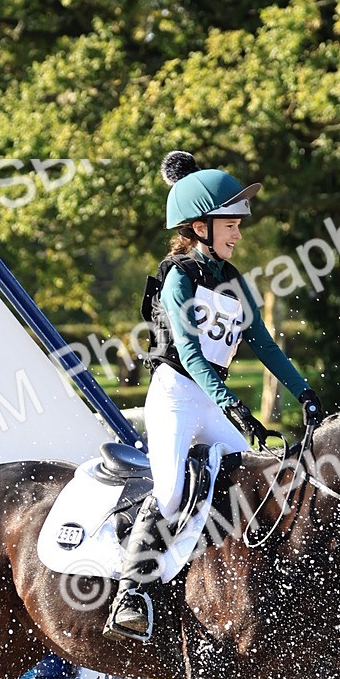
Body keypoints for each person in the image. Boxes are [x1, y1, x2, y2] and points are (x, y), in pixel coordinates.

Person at [104, 150, 323, 642]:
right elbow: (190, 352)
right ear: (199, 225)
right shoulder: (178, 275)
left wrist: (305, 391)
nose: (239, 233)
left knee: (254, 484)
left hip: (211, 397)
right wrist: (229, 402)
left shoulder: (232, 280)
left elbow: (262, 343)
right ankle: (129, 596)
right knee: (171, 492)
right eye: (231, 223)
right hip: (178, 398)